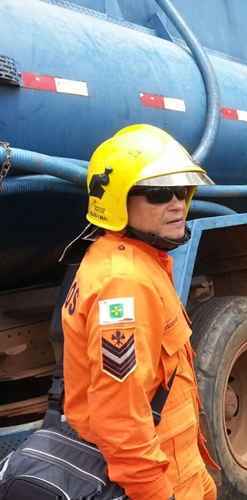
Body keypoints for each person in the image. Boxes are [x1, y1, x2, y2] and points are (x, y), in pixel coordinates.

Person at [61, 124, 219, 500]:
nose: (177, 203)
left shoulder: (133, 260)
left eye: (182, 191)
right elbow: (121, 422)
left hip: (178, 464)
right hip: (158, 479)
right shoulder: (124, 283)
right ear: (117, 200)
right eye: (159, 193)